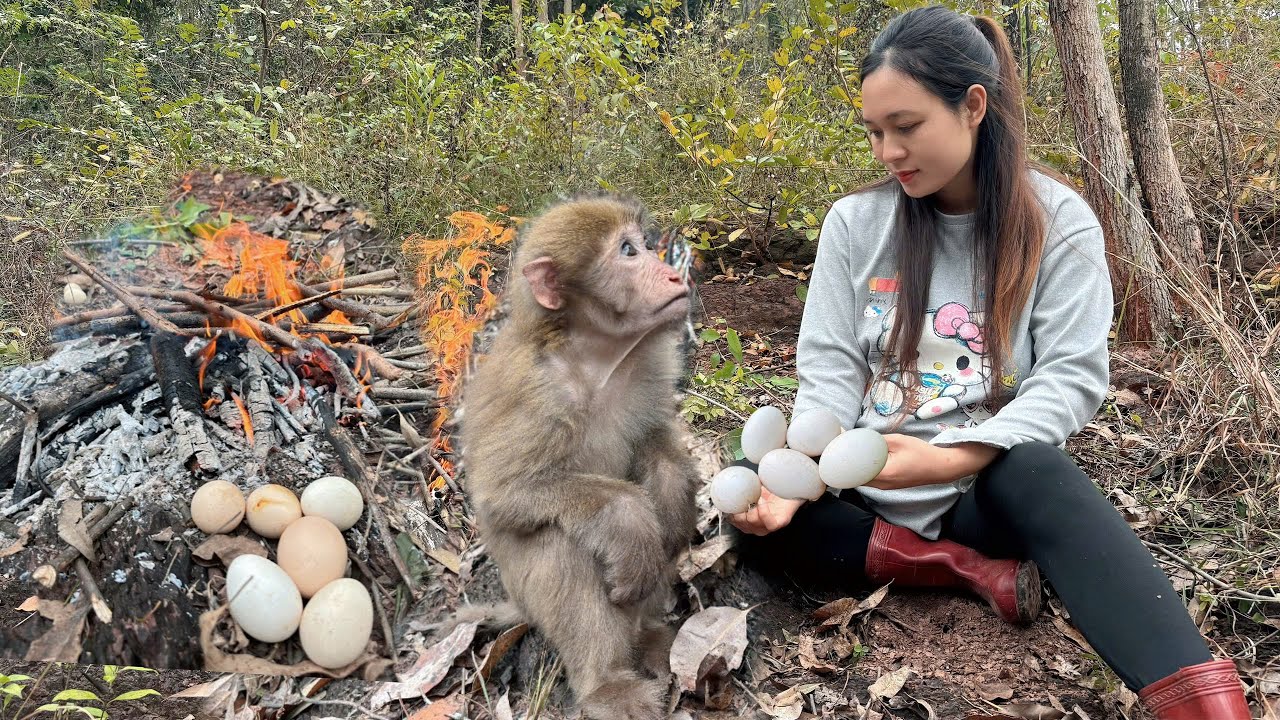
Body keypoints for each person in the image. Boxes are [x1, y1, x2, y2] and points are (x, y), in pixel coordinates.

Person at [725, 6, 1251, 719]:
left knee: (1037, 468)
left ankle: (1205, 704)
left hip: (978, 494)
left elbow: (1070, 377)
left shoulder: (1057, 222)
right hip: (860, 499)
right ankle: (960, 573)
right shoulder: (856, 224)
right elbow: (829, 367)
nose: (887, 151)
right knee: (751, 512)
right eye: (875, 133)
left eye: (906, 128)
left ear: (973, 105)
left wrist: (952, 459)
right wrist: (803, 475)